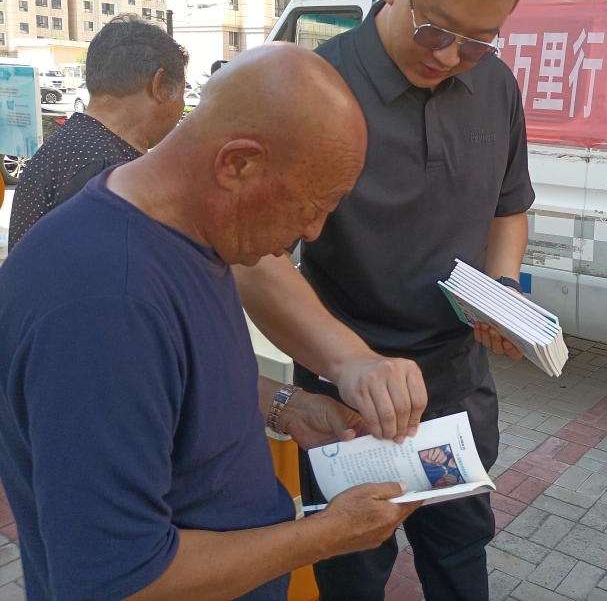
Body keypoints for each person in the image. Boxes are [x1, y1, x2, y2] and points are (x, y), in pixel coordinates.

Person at [0, 43, 420, 601]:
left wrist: (287, 406)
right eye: (313, 205)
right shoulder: (105, 304)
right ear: (237, 164)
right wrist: (330, 534)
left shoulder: (188, 233)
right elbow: (121, 581)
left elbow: (169, 393)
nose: (313, 231)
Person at [234, 0, 536, 600]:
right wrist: (352, 363)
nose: (452, 56)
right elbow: (254, 257)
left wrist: (501, 287)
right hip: (348, 396)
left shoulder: (495, 87)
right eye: (437, 30)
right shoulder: (315, 88)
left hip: (455, 388)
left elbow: (509, 206)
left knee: (460, 558)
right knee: (351, 570)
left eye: (479, 40)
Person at [8, 15, 189, 250]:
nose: (182, 104)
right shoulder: (108, 170)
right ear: (159, 84)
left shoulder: (73, 144)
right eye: (182, 92)